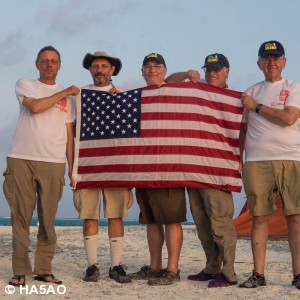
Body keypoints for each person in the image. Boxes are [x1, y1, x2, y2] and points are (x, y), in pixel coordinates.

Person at [2, 46, 79, 286]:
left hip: (53, 163)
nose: (49, 65)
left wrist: (72, 167)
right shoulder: (26, 84)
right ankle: (20, 271)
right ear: (37, 64)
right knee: (21, 217)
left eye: (54, 61)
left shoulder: (70, 101)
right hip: (22, 159)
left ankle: (44, 269)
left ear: (60, 65)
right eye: (44, 61)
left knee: (48, 220)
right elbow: (34, 107)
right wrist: (66, 91)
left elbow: (69, 135)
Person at [166, 53, 238, 287]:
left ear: (227, 71)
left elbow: (241, 132)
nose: (212, 73)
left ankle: (228, 273)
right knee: (202, 225)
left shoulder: (232, 98)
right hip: (194, 168)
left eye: (217, 69)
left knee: (220, 222)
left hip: (217, 169)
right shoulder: (196, 90)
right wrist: (187, 75)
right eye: (209, 69)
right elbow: (168, 83)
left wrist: (239, 159)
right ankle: (211, 266)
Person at [239, 40, 300, 289]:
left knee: (295, 217)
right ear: (259, 63)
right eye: (267, 58)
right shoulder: (250, 90)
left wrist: (258, 107)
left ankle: (298, 275)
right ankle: (258, 274)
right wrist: (237, 158)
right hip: (256, 160)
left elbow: (288, 118)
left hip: (291, 158)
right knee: (259, 217)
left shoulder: (293, 87)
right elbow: (242, 130)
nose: (272, 63)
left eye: (276, 58)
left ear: (284, 62)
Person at [73, 51, 133, 284]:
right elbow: (72, 128)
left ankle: (116, 266)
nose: (99, 69)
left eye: (104, 66)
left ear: (112, 70)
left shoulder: (123, 96)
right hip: (88, 164)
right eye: (95, 66)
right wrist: (73, 167)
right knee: (89, 216)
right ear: (90, 70)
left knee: (116, 215)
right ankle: (92, 266)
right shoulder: (79, 95)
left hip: (116, 165)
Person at [128, 53, 187, 286]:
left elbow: (176, 80)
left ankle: (172, 270)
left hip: (169, 166)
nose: (152, 70)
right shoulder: (136, 96)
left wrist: (186, 74)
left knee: (172, 219)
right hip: (144, 167)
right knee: (151, 220)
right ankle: (155, 266)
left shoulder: (172, 90)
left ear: (165, 70)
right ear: (141, 71)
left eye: (157, 67)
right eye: (148, 67)